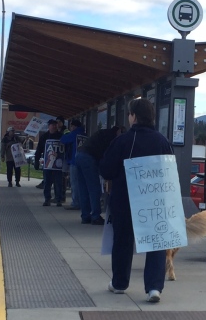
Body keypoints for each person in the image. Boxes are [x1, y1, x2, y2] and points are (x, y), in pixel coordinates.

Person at [100, 98, 173, 303]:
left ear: (133, 116)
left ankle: (119, 283)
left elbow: (106, 169)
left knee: (122, 241)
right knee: (156, 242)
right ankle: (154, 288)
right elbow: (169, 172)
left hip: (125, 200)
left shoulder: (122, 140)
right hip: (154, 200)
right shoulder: (162, 141)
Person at [75, 125, 122, 225]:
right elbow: (107, 156)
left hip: (79, 155)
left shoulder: (103, 133)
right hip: (89, 158)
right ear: (118, 131)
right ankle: (95, 216)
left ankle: (85, 216)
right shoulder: (112, 138)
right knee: (94, 188)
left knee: (83, 188)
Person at [34, 119, 65, 206]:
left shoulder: (61, 136)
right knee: (47, 182)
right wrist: (37, 161)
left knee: (58, 182)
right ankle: (47, 199)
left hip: (58, 164)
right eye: (52, 125)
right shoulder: (44, 137)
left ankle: (58, 199)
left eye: (55, 125)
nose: (54, 126)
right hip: (48, 164)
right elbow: (39, 149)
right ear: (49, 126)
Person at [60, 119, 86, 210]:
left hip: (74, 161)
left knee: (74, 183)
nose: (70, 128)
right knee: (82, 183)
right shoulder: (84, 134)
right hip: (84, 161)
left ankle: (76, 202)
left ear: (74, 126)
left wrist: (65, 133)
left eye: (71, 126)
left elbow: (63, 140)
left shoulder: (74, 134)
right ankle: (82, 202)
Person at [57, 116, 70, 202]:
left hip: (64, 156)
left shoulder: (65, 131)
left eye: (58, 122)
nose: (57, 124)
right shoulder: (57, 131)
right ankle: (60, 195)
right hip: (58, 156)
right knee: (59, 177)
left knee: (62, 177)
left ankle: (62, 195)